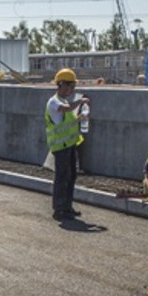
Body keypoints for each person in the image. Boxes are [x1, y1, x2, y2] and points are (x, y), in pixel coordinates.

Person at [44, 68, 89, 221]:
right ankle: (59, 208)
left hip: (69, 145)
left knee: (71, 176)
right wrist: (80, 101)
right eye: (70, 86)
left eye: (74, 87)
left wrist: (80, 118)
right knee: (62, 177)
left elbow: (68, 120)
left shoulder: (64, 101)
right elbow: (67, 109)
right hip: (60, 147)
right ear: (61, 84)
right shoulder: (54, 101)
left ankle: (67, 206)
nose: (72, 89)